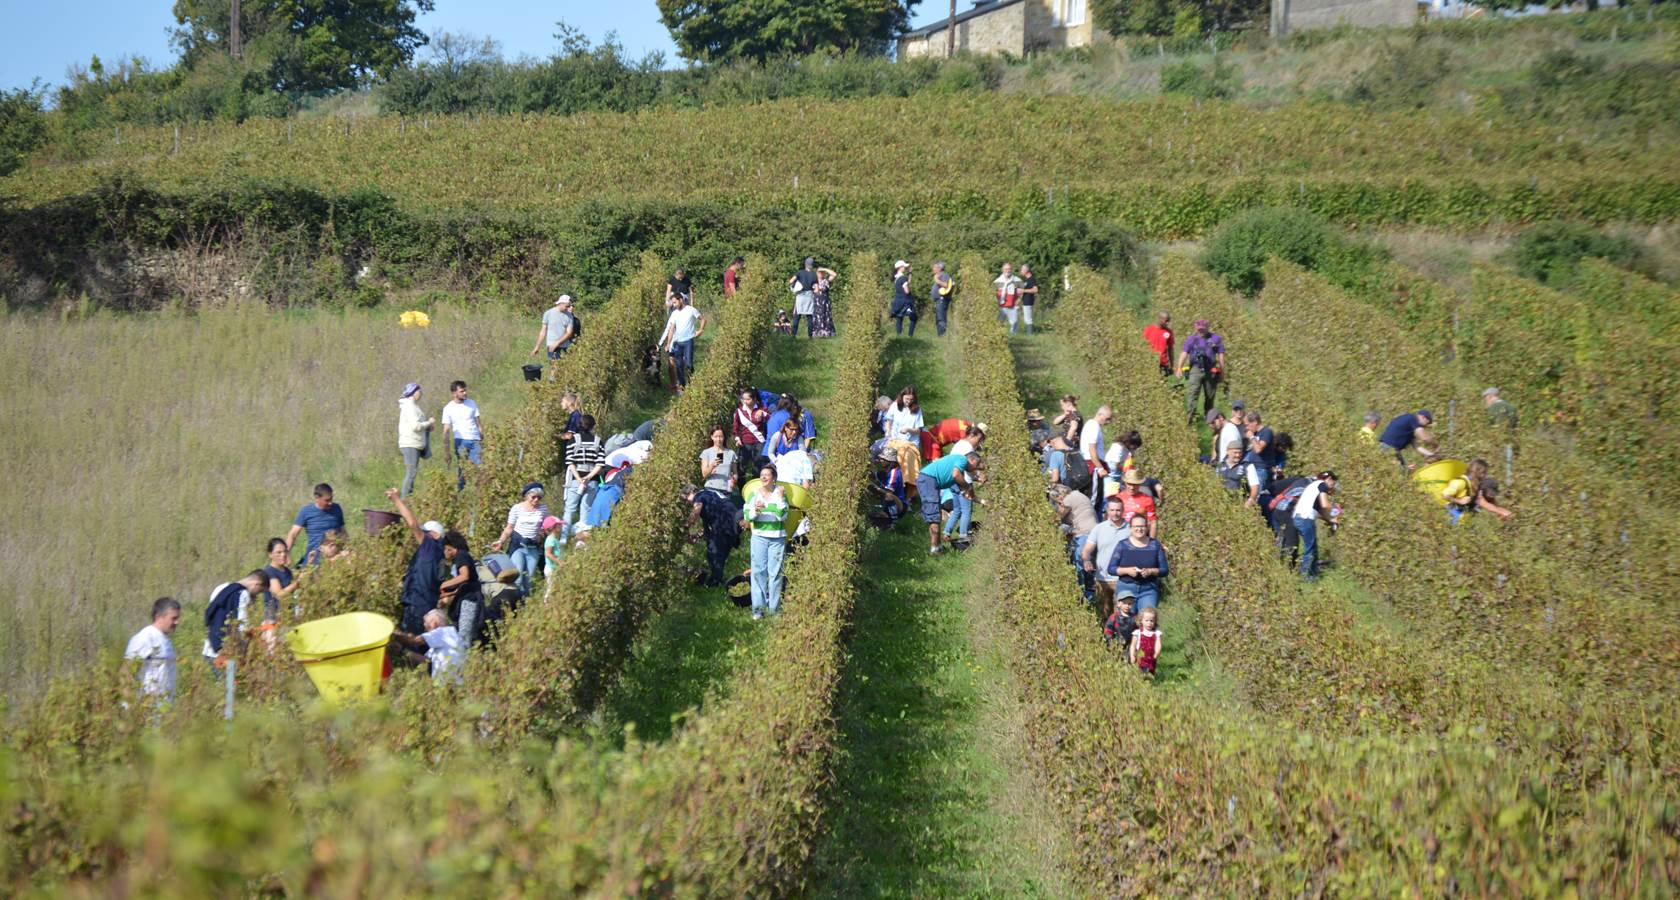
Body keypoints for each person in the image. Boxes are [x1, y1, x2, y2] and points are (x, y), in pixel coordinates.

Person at [388, 488, 445, 635]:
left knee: (412, 644)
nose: (422, 535)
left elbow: (412, 524)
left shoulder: (430, 546)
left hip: (418, 605)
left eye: (426, 533)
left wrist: (396, 499)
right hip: (428, 605)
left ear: (435, 535)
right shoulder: (441, 555)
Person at [743, 464, 790, 619]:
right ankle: (758, 610)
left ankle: (774, 610)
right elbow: (747, 514)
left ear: (773, 478)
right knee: (758, 572)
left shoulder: (781, 493)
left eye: (767, 475)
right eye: (761, 475)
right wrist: (756, 511)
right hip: (759, 537)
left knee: (775, 574)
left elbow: (783, 515)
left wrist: (770, 506)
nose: (763, 477)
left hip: (777, 537)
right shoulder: (754, 494)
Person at [917, 451, 981, 555]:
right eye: (976, 465)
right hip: (928, 480)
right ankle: (935, 549)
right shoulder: (962, 460)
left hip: (929, 480)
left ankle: (937, 546)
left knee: (935, 515)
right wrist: (968, 487)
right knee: (934, 516)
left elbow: (965, 494)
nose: (975, 469)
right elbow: (956, 475)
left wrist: (982, 501)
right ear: (972, 460)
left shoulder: (959, 468)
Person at [203, 570, 269, 668]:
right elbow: (243, 627)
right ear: (256, 584)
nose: (257, 595)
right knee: (232, 682)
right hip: (226, 653)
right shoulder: (243, 594)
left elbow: (211, 614)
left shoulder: (221, 587)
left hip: (210, 648)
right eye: (259, 591)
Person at [492, 482, 548, 593]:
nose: (536, 500)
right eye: (533, 497)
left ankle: (525, 604)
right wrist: (500, 541)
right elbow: (509, 528)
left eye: (539, 497)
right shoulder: (517, 508)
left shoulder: (543, 509)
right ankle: (514, 603)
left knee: (528, 579)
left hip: (533, 547)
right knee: (518, 576)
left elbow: (546, 525)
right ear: (527, 496)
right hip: (518, 546)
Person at [1080, 497, 1130, 621]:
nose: (1115, 513)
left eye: (1118, 510)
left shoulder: (1130, 529)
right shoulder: (1099, 528)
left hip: (1123, 579)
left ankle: (1121, 640)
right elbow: (1086, 550)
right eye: (1112, 510)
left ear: (1123, 510)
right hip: (1102, 579)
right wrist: (1086, 560)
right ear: (1107, 510)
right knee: (1104, 616)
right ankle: (1106, 639)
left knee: (1121, 616)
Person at [1106, 513, 1169, 610]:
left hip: (1149, 589)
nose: (1139, 529)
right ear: (1130, 528)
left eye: (1142, 526)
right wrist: (1127, 571)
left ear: (1147, 527)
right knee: (1126, 622)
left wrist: (1151, 571)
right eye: (1136, 526)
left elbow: (1164, 570)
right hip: (1126, 589)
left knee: (1147, 620)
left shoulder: (1155, 545)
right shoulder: (1122, 545)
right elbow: (1111, 569)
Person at [685, 483, 742, 587]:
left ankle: (714, 583)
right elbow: (708, 527)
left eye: (686, 498)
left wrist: (685, 527)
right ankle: (719, 580)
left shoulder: (699, 496)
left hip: (724, 524)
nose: (687, 502)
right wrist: (697, 536)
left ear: (691, 492)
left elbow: (696, 512)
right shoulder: (710, 495)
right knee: (720, 554)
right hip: (733, 523)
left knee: (713, 554)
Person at [125, 597, 181, 702]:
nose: (177, 622)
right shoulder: (144, 638)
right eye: (173, 618)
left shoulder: (166, 641)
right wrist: (129, 707)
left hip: (164, 707)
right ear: (159, 617)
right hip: (147, 707)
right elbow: (126, 673)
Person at [1051, 484, 1098, 603]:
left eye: (1056, 500)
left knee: (1080, 567)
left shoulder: (1068, 499)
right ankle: (1091, 595)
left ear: (1059, 495)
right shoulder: (1078, 495)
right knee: (1090, 566)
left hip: (1084, 534)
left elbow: (1057, 518)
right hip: (1093, 532)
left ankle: (1082, 598)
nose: (1057, 502)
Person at [390, 609, 465, 684]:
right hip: (452, 685)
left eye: (426, 625)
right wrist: (402, 650)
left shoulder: (443, 632)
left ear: (434, 623)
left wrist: (395, 635)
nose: (425, 629)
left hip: (448, 684)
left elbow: (415, 640)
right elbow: (425, 661)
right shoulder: (447, 637)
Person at [439, 530, 485, 646]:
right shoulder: (457, 560)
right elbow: (461, 585)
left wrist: (442, 585)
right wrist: (446, 594)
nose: (443, 553)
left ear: (449, 548)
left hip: (470, 600)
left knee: (465, 635)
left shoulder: (461, 555)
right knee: (464, 633)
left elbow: (464, 576)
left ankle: (465, 660)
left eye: (444, 549)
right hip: (466, 598)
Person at [1176, 319, 1227, 422]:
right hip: (1196, 369)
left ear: (1207, 327)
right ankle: (1190, 416)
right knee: (1193, 393)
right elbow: (1184, 353)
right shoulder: (1191, 339)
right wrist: (1179, 367)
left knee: (1210, 395)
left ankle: (1209, 418)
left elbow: (1221, 355)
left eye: (1203, 329)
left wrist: (1222, 371)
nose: (1201, 331)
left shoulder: (1215, 339)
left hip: (1211, 369)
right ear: (1195, 328)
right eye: (1199, 329)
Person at [564, 414, 604, 539]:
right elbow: (600, 464)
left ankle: (563, 537)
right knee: (586, 508)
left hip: (575, 479)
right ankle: (581, 540)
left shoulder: (573, 440)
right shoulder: (598, 441)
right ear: (593, 426)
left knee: (570, 508)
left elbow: (570, 462)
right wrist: (589, 477)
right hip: (592, 480)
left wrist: (578, 478)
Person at [438, 380, 484, 490]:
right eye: (462, 391)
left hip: (475, 440)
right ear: (454, 393)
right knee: (463, 468)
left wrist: (481, 433)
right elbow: (446, 430)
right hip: (461, 441)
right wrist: (447, 450)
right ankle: (461, 490)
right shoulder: (448, 408)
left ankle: (481, 491)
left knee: (480, 467)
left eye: (465, 390)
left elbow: (478, 422)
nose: (465, 393)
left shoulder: (472, 403)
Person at [284, 483, 344, 566]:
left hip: (334, 552)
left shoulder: (337, 508)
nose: (330, 503)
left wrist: (348, 548)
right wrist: (286, 554)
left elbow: (343, 530)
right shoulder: (306, 512)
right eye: (327, 500)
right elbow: (293, 534)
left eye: (331, 499)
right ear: (317, 498)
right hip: (314, 555)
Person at [1292, 471, 1337, 580]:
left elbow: (1321, 511)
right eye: (1333, 483)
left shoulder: (1313, 486)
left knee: (1313, 548)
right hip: (1305, 519)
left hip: (1298, 518)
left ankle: (1313, 575)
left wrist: (1332, 521)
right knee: (1310, 550)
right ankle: (1306, 577)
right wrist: (1337, 510)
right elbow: (1325, 504)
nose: (1332, 487)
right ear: (1329, 479)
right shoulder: (1322, 484)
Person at [659, 291, 706, 392]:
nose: (674, 305)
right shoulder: (674, 313)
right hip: (677, 343)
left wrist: (700, 330)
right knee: (679, 365)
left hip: (688, 341)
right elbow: (671, 329)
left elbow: (702, 319)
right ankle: (682, 387)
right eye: (673, 303)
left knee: (689, 364)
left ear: (680, 300)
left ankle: (692, 383)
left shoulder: (691, 310)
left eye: (675, 302)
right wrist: (668, 344)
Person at [1443, 458, 1514, 522]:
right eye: (1484, 473)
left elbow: (1487, 503)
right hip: (1451, 516)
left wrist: (1502, 512)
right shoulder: (1460, 482)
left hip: (1463, 519)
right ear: (1477, 471)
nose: (1485, 476)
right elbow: (1445, 495)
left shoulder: (1477, 485)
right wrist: (1459, 501)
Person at [397, 382, 434, 497]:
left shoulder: (413, 406)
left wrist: (427, 426)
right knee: (411, 473)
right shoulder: (409, 406)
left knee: (412, 473)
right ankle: (404, 501)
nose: (421, 393)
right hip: (410, 443)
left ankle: (409, 499)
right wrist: (429, 423)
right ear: (413, 393)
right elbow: (416, 426)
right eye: (419, 391)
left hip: (415, 443)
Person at [1241, 412, 1277, 504]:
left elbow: (1258, 449)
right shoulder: (1256, 433)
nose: (1247, 428)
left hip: (1261, 470)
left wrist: (1252, 437)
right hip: (1252, 469)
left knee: (1258, 498)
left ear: (1255, 422)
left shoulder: (1266, 432)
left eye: (1248, 425)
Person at [532, 294, 578, 364]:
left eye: (569, 306)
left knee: (567, 367)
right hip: (552, 346)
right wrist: (537, 347)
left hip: (565, 346)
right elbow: (543, 332)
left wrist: (557, 343)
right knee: (554, 367)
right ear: (561, 303)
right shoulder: (548, 313)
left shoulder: (569, 316)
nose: (568, 308)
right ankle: (552, 375)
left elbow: (569, 333)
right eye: (567, 306)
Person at [1114, 470, 1159, 538]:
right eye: (1129, 484)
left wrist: (1152, 543)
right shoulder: (1118, 498)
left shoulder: (1147, 499)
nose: (1132, 487)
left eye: (1135, 484)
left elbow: (1153, 523)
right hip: (1119, 536)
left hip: (1139, 537)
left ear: (1139, 484)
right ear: (1125, 483)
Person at [870, 448, 908, 525]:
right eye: (882, 458)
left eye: (884, 459)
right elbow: (873, 475)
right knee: (873, 517)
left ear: (891, 462)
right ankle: (885, 515)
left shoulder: (894, 474)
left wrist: (876, 488)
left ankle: (893, 521)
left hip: (899, 505)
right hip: (891, 503)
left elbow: (889, 493)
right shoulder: (886, 471)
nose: (881, 460)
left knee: (888, 495)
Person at [261, 538, 296, 622]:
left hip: (289, 616)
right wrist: (296, 583)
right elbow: (279, 595)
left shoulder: (288, 571)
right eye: (279, 552)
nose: (283, 555)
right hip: (274, 618)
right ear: (270, 554)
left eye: (285, 551)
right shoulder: (269, 572)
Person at [787, 257, 823, 339]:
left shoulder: (800, 272)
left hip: (800, 296)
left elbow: (791, 281)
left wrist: (795, 286)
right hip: (809, 296)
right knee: (809, 317)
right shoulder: (814, 275)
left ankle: (793, 335)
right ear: (812, 265)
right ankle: (810, 336)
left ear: (805, 264)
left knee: (797, 316)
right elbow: (817, 290)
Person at [1081, 405, 1114, 490]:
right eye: (1107, 419)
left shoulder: (1092, 424)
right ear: (1100, 414)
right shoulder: (1094, 426)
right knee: (1095, 496)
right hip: (1093, 464)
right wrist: (1100, 468)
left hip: (1093, 463)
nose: (1108, 422)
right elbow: (1092, 450)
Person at [700, 426, 737, 497]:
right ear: (712, 437)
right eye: (716, 436)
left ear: (724, 438)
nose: (718, 439)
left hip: (726, 490)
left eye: (721, 436)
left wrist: (734, 481)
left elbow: (735, 473)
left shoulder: (731, 453)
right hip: (711, 489)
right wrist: (712, 465)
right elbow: (704, 475)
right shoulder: (706, 453)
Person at [1129, 607, 1161, 676]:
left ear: (1155, 621)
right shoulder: (1138, 633)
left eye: (1151, 621)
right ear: (1141, 621)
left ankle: (1149, 684)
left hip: (1151, 659)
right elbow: (1133, 645)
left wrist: (1156, 653)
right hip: (1140, 660)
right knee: (1139, 675)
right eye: (1147, 620)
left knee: (1150, 675)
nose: (1149, 623)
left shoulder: (1156, 633)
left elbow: (1158, 645)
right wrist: (1132, 656)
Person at [889, 260, 918, 336]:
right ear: (900, 268)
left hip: (898, 301)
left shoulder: (896, 278)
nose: (905, 268)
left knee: (899, 318)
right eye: (904, 267)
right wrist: (909, 290)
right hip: (905, 301)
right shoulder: (903, 278)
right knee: (913, 317)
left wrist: (910, 273)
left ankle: (899, 335)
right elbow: (907, 291)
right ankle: (910, 335)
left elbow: (907, 282)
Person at [1143, 311, 1175, 377]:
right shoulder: (1149, 329)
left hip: (1163, 363)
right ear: (1160, 319)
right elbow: (1142, 345)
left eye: (1168, 321)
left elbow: (1170, 349)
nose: (1167, 323)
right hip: (1150, 363)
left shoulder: (1169, 332)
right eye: (1166, 321)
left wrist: (1172, 365)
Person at [811, 263, 839, 338]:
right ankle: (817, 334)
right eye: (819, 272)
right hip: (816, 302)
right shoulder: (813, 282)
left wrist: (824, 269)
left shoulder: (826, 281)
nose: (821, 274)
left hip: (825, 302)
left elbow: (834, 275)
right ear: (816, 273)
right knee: (817, 317)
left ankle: (827, 333)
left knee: (826, 317)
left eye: (822, 273)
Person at [994, 262, 1022, 334]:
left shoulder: (1017, 280)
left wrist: (1019, 299)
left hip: (1012, 306)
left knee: (1014, 323)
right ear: (1002, 270)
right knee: (998, 324)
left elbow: (1023, 290)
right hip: (1001, 306)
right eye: (1006, 269)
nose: (1008, 271)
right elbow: (993, 293)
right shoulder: (997, 281)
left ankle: (1014, 338)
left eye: (1009, 269)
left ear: (1011, 270)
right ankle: (998, 337)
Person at [930, 260, 956, 336]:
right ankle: (940, 335)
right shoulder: (940, 275)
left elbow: (946, 285)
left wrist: (937, 280)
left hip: (942, 300)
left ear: (940, 268)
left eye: (935, 267)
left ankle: (942, 335)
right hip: (939, 300)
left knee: (941, 318)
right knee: (939, 317)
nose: (933, 269)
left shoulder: (944, 275)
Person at [1018, 263, 1039, 334]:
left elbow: (1035, 290)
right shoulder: (1027, 280)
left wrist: (1023, 290)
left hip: (1029, 301)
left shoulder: (1031, 279)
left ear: (1026, 270)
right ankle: (1029, 334)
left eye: (1022, 269)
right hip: (1025, 301)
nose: (1021, 271)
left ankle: (1030, 335)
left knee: (1028, 319)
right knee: (1026, 319)